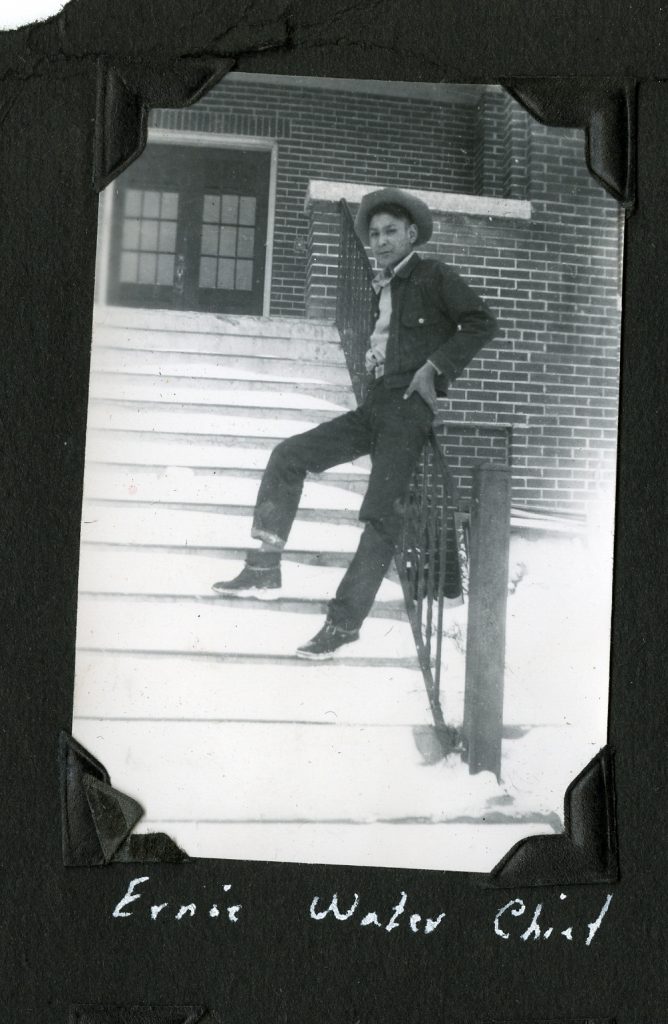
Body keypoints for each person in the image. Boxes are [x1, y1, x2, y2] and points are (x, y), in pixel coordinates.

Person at [213, 187, 498, 660]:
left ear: (411, 234)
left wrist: (435, 367)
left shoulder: (433, 275)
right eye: (374, 234)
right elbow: (391, 339)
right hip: (376, 405)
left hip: (408, 409)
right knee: (289, 455)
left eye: (391, 232)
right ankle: (264, 566)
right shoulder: (383, 285)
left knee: (381, 514)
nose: (381, 241)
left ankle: (344, 622)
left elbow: (481, 322)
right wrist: (374, 356)